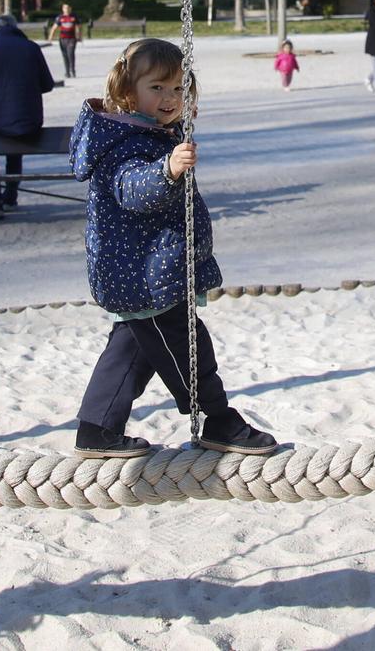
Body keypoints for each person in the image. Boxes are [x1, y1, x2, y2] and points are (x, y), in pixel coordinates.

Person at [70, 39, 278, 459]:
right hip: (145, 271)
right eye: (158, 88)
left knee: (131, 350)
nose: (170, 99)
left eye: (180, 90)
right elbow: (131, 188)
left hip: (146, 270)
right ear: (128, 92)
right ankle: (219, 419)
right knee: (189, 347)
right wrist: (165, 171)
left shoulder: (150, 131)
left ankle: (96, 429)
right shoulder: (123, 140)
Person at [0, 13, 56, 212]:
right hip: (27, 121)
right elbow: (47, 84)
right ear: (15, 28)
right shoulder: (31, 48)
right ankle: (11, 195)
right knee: (16, 145)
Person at [52, 2, 82, 78]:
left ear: (70, 9)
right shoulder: (60, 17)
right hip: (62, 39)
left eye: (68, 8)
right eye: (65, 8)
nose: (67, 9)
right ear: (62, 9)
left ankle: (73, 71)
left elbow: (78, 27)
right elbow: (54, 27)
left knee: (71, 54)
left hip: (72, 39)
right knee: (65, 55)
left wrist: (79, 36)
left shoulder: (74, 17)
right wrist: (51, 37)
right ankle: (67, 72)